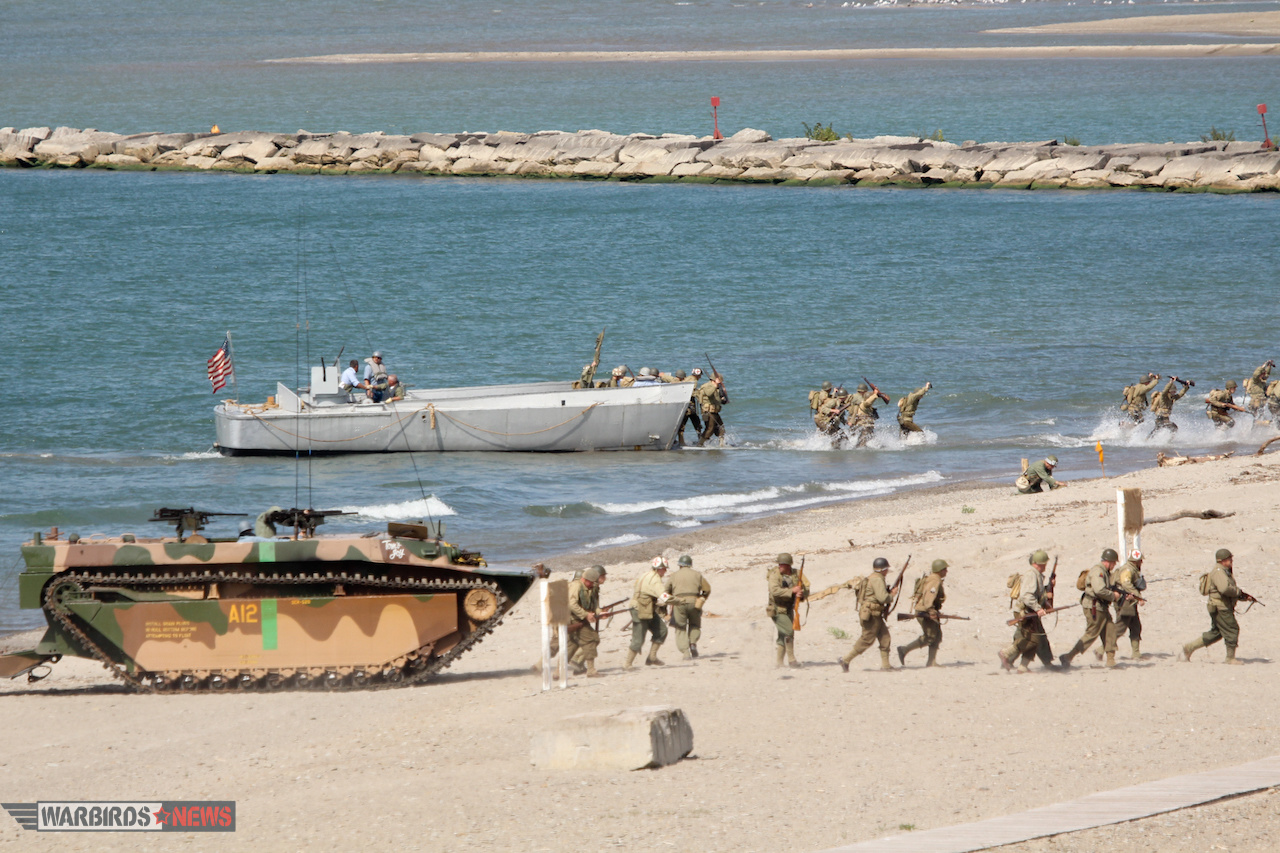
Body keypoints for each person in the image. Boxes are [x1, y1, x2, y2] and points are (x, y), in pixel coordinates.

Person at [1059, 548, 1128, 668]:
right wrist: (1113, 596)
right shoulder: (1098, 571)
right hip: (1094, 607)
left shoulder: (1104, 572)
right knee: (1092, 633)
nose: (1114, 565)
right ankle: (1068, 656)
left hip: (1101, 606)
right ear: (1109, 561)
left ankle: (1110, 660)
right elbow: (1099, 589)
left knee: (1110, 631)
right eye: (1113, 563)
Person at [1181, 548, 1251, 665]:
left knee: (1217, 633)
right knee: (1232, 629)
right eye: (1229, 559)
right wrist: (1238, 592)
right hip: (1220, 607)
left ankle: (1189, 648)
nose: (1231, 561)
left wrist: (1243, 596)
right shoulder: (1219, 571)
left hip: (1220, 606)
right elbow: (1224, 588)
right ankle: (1230, 658)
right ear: (1223, 560)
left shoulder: (1223, 571)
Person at [999, 550, 1053, 673]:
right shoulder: (1031, 575)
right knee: (1031, 639)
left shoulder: (1036, 574)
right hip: (1025, 611)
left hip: (1030, 611)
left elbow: (1036, 593)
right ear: (1038, 564)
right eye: (1044, 563)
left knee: (1035, 639)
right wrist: (1038, 608)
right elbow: (1027, 596)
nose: (1045, 566)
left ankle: (1023, 667)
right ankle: (1006, 653)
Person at [839, 557, 893, 672]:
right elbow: (882, 598)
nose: (887, 571)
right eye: (886, 569)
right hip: (871, 614)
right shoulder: (877, 579)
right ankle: (845, 659)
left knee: (885, 638)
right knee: (867, 639)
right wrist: (892, 595)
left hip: (875, 613)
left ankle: (886, 665)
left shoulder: (875, 577)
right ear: (883, 569)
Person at [897, 558, 948, 667]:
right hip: (925, 611)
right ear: (940, 570)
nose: (946, 571)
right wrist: (931, 610)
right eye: (945, 569)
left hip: (927, 610)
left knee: (937, 636)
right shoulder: (934, 580)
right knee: (930, 637)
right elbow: (929, 597)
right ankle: (904, 649)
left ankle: (931, 662)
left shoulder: (934, 578)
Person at [626, 557, 670, 669]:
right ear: (659, 569)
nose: (665, 571)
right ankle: (627, 664)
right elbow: (663, 596)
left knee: (662, 630)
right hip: (640, 609)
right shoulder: (655, 579)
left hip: (647, 608)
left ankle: (652, 657)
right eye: (664, 569)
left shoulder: (645, 575)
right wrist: (678, 601)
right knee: (638, 638)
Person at [665, 555, 711, 660]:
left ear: (680, 565)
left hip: (679, 602)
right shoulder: (697, 574)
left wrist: (671, 599)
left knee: (680, 628)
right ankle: (693, 643)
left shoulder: (674, 576)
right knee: (695, 625)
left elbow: (666, 590)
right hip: (694, 602)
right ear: (690, 564)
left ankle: (685, 652)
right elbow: (707, 589)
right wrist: (702, 597)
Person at [766, 553, 807, 668]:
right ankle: (792, 660)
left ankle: (779, 662)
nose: (780, 566)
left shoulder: (796, 575)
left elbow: (805, 587)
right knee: (789, 632)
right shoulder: (774, 575)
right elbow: (775, 591)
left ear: (788, 565)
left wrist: (801, 594)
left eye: (782, 564)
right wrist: (792, 591)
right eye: (779, 564)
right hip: (777, 609)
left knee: (783, 635)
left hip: (789, 608)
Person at [566, 565, 607, 677]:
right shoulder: (577, 586)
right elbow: (572, 604)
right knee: (591, 640)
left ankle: (576, 665)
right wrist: (586, 615)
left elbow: (593, 606)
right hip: (574, 619)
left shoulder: (592, 588)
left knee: (585, 641)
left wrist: (600, 613)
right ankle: (586, 667)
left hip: (580, 619)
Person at [1108, 549, 1147, 660]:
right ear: (1136, 561)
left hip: (1130, 601)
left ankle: (1136, 653)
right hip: (1125, 601)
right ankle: (1102, 649)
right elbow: (1126, 584)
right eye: (1140, 561)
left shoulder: (1132, 569)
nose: (1141, 563)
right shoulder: (1128, 569)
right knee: (1120, 627)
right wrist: (1138, 596)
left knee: (1135, 626)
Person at [696, 369, 728, 446]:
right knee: (710, 429)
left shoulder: (717, 387)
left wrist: (723, 398)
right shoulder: (707, 386)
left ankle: (721, 443)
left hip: (715, 411)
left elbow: (717, 399)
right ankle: (700, 444)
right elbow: (709, 393)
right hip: (708, 411)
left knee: (721, 427)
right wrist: (715, 385)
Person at [677, 368, 704, 446]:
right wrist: (699, 396)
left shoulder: (687, 378)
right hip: (690, 404)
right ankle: (700, 440)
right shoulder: (694, 380)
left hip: (684, 403)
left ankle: (681, 441)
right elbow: (691, 392)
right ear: (698, 375)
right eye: (700, 376)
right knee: (696, 423)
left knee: (683, 423)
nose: (700, 377)